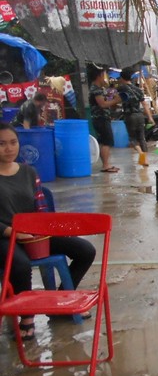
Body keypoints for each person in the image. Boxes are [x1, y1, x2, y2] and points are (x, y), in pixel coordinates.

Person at [0, 123, 96, 340]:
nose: (9, 148)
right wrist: (13, 232)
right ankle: (27, 316)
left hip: (32, 234)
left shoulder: (28, 172)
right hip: (4, 236)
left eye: (13, 142)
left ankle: (59, 301)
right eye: (2, 144)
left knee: (85, 250)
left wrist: (42, 230)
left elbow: (41, 208)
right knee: (20, 264)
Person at [88, 63, 121, 173]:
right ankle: (106, 165)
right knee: (107, 141)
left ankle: (106, 164)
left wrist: (112, 102)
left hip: (100, 118)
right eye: (104, 75)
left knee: (103, 141)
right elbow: (102, 104)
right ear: (99, 75)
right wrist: (116, 100)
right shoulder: (96, 89)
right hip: (101, 118)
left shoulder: (98, 88)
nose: (105, 78)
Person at [117, 67, 154, 167]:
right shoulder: (138, 90)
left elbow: (116, 101)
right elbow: (145, 104)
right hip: (140, 115)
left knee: (132, 139)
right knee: (142, 138)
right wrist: (150, 117)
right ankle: (145, 160)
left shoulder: (121, 89)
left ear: (122, 78)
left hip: (130, 116)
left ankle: (140, 153)